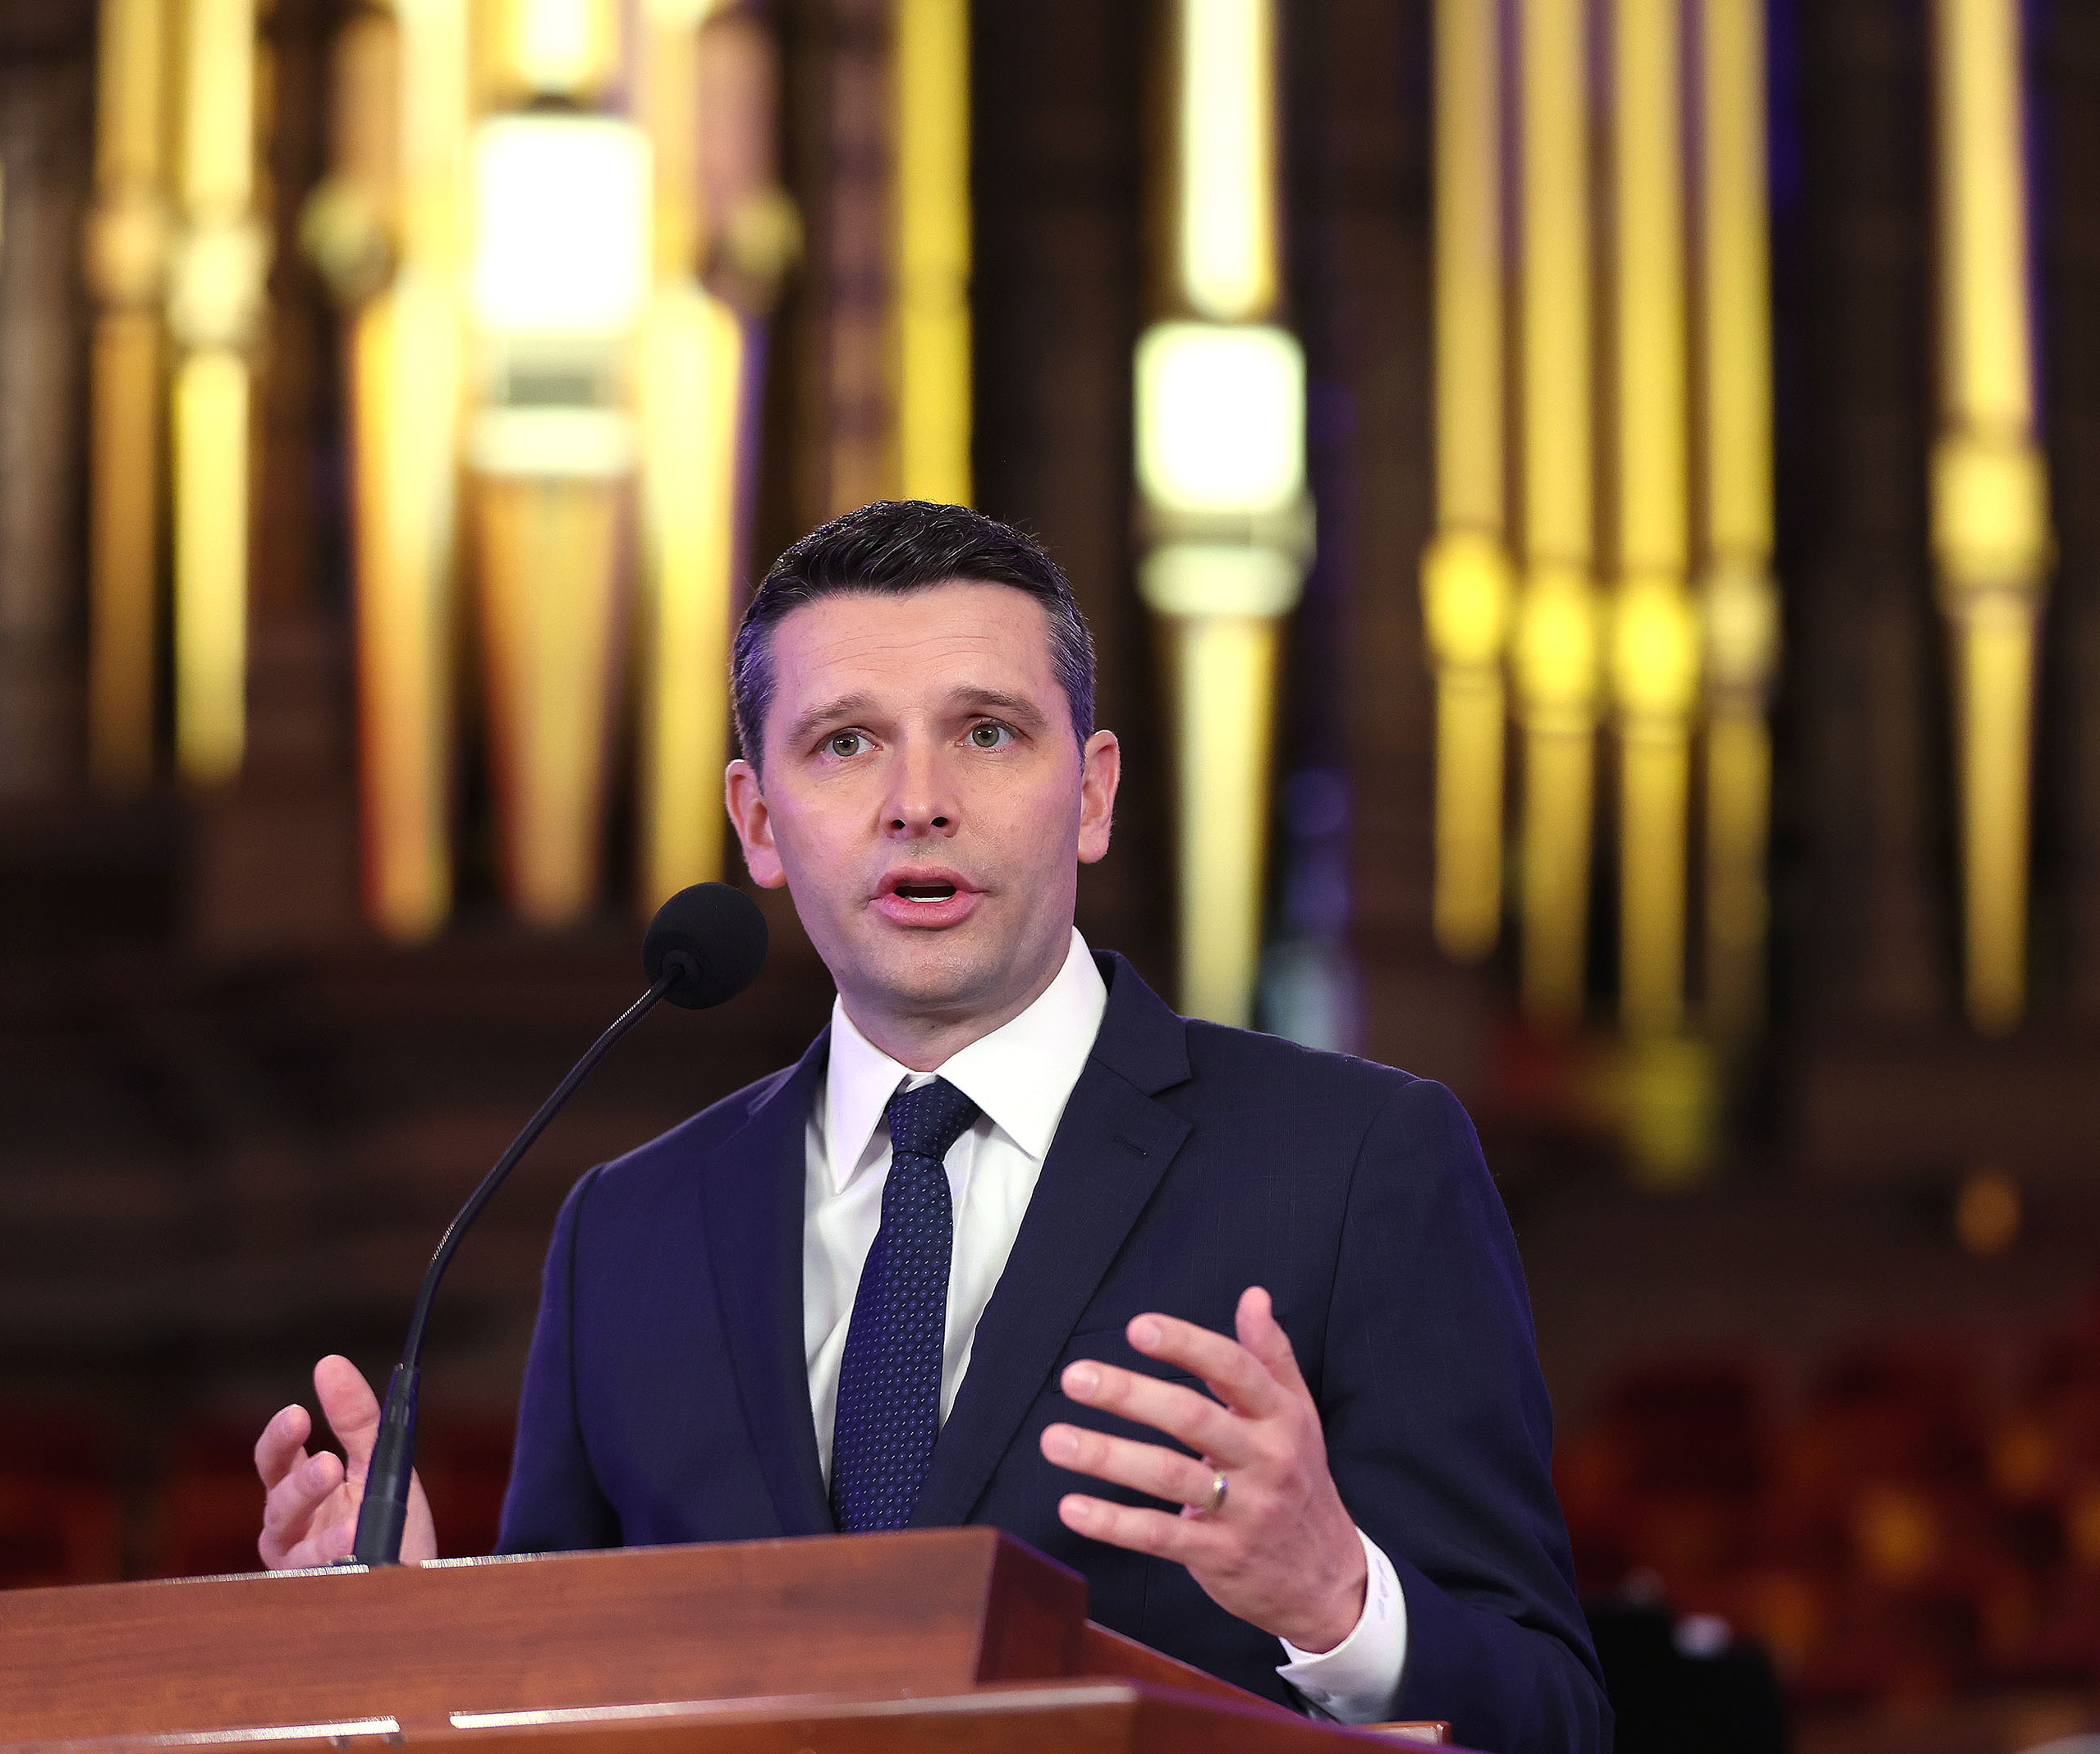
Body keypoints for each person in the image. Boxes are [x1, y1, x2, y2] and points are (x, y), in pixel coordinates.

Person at [254, 501, 1610, 1752]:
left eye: (986, 731)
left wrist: (1337, 1599)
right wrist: (417, 1632)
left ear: (1091, 792)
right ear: (757, 820)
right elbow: (569, 1702)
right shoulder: (630, 1226)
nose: (918, 800)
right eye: (845, 742)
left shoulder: (1355, 1161)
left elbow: (1556, 1714)